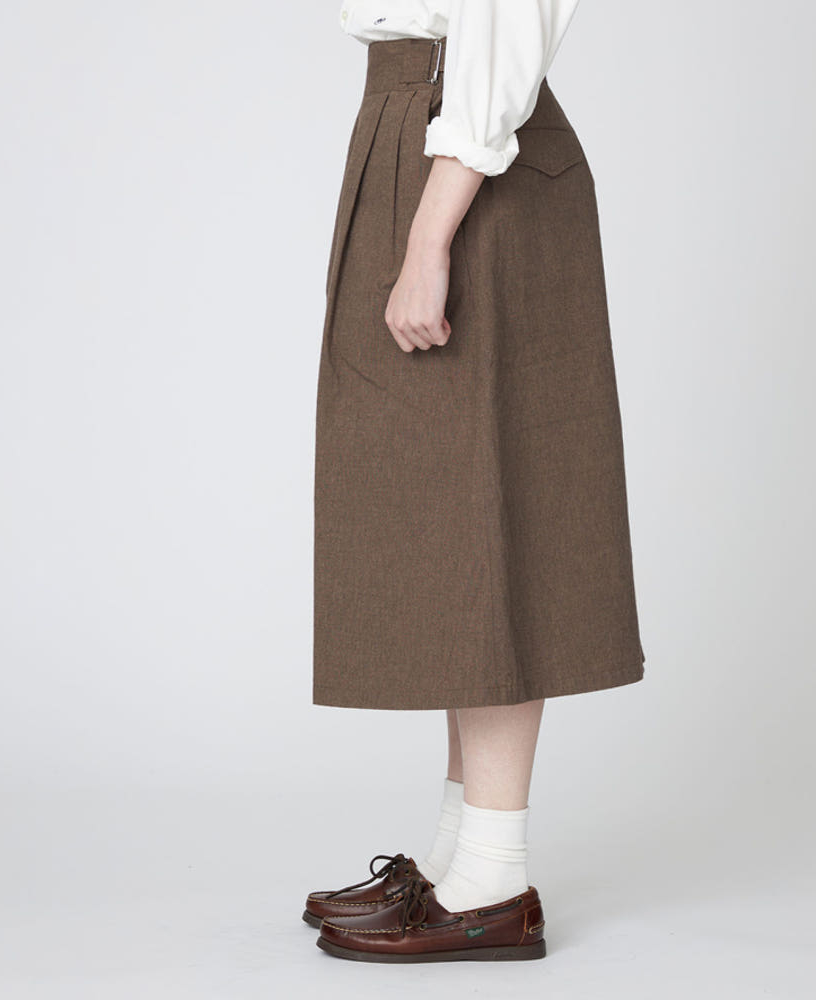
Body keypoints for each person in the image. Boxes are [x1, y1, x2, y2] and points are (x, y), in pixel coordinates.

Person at [306, 0, 647, 962]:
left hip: (465, 157)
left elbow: (503, 29)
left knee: (488, 511)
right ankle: (460, 855)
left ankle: (494, 879)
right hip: (419, 133)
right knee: (453, 511)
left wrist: (429, 240)